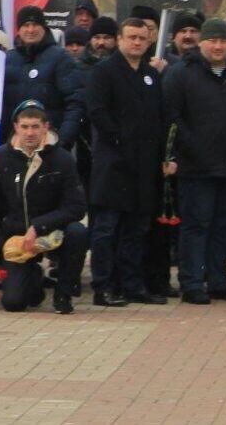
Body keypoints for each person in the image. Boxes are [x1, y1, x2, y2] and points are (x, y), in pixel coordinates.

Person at [162, 17, 226, 304]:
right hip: (196, 165)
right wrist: (188, 148)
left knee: (223, 225)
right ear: (202, 42)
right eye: (213, 41)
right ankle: (192, 281)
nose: (218, 46)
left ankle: (218, 279)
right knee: (196, 225)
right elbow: (172, 117)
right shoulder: (181, 73)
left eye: (223, 41)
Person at [84, 17, 169, 306]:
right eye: (131, 37)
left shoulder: (151, 75)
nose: (136, 42)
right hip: (114, 163)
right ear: (120, 39)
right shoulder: (103, 72)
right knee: (107, 229)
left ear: (148, 42)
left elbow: (158, 118)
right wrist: (119, 139)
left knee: (136, 229)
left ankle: (132, 285)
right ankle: (103, 286)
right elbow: (97, 111)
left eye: (141, 38)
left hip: (144, 165)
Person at [0, 100, 88, 314]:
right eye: (24, 126)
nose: (30, 133)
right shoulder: (0, 158)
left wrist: (39, 226)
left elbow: (76, 207)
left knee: (78, 233)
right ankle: (34, 279)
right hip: (17, 239)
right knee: (14, 303)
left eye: (35, 126)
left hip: (53, 233)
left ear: (46, 127)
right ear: (16, 127)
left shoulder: (62, 159)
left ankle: (64, 293)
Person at [0, 6, 84, 147]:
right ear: (18, 30)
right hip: (14, 147)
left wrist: (62, 142)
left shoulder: (61, 58)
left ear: (44, 28)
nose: (31, 30)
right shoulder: (7, 60)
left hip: (50, 146)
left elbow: (76, 102)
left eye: (35, 25)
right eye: (26, 25)